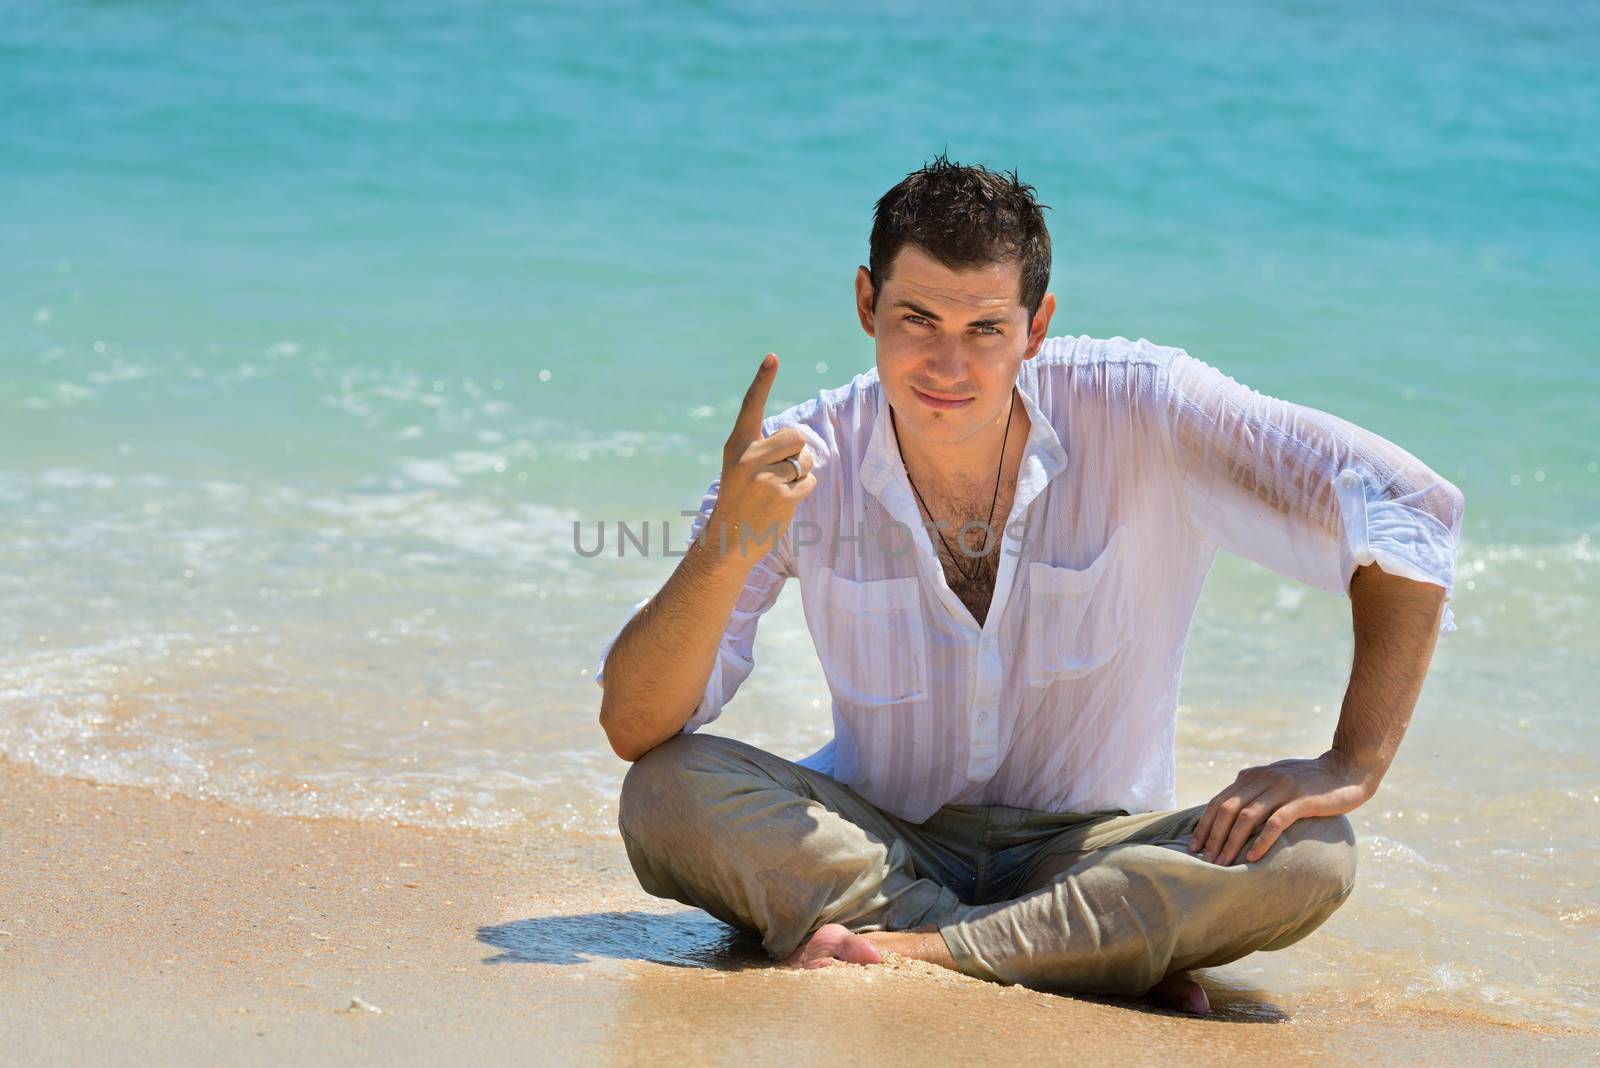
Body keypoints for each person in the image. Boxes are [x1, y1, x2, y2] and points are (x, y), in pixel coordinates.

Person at [592, 155, 1464, 1015]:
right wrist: (727, 542)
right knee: (667, 793)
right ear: (866, 303)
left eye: (985, 331)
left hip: (1089, 846)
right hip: (881, 841)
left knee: (1311, 854)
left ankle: (927, 949)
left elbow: (1405, 506)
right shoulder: (801, 455)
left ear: (1036, 326)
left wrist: (1352, 760)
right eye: (917, 319)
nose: (947, 365)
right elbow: (637, 725)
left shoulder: (1146, 407)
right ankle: (1075, 952)